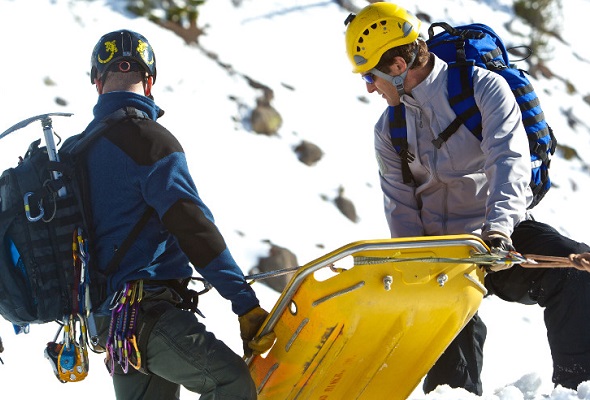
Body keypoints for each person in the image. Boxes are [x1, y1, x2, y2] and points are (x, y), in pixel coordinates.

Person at [343, 2, 590, 395]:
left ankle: (578, 389)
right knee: (447, 334)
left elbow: (509, 161)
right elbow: (401, 208)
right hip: (442, 258)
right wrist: (415, 268)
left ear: (395, 66)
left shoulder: (483, 88)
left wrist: (498, 232)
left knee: (576, 275)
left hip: (499, 234)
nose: (370, 87)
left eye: (369, 77)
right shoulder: (388, 129)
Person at [75, 29, 274, 399]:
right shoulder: (151, 142)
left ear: (97, 82)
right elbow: (194, 229)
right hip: (147, 313)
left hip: (111, 326)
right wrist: (244, 303)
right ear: (149, 81)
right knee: (229, 381)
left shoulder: (76, 153)